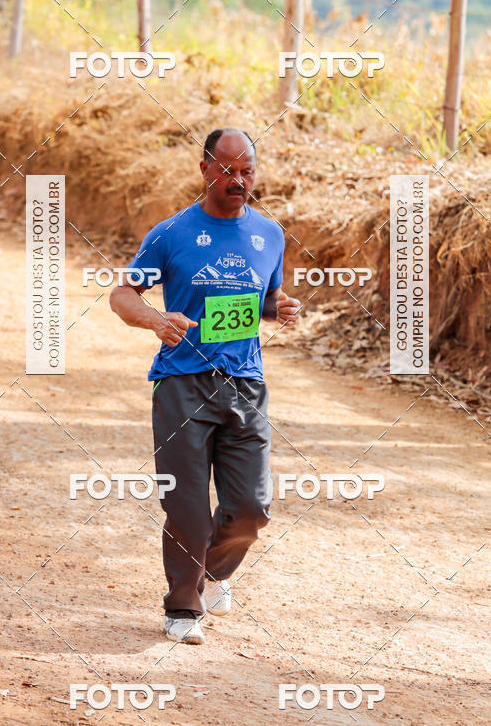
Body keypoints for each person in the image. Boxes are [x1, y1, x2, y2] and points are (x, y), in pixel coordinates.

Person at [109, 127, 300, 644]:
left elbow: (263, 300)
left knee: (252, 509)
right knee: (188, 508)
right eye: (227, 170)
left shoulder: (270, 235)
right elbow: (122, 294)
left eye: (247, 171)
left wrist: (277, 308)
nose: (238, 181)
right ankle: (183, 606)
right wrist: (154, 318)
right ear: (204, 170)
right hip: (181, 386)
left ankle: (212, 574)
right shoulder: (171, 234)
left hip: (245, 384)